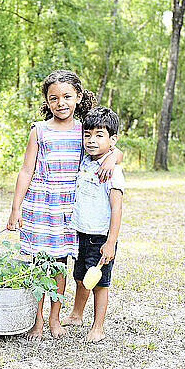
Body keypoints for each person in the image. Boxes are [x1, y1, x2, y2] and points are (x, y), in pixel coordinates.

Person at [7, 70, 122, 339]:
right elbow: (26, 170)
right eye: (54, 97)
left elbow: (112, 147)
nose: (61, 103)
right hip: (41, 206)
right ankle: (36, 319)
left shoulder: (84, 131)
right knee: (39, 264)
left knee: (60, 266)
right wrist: (15, 208)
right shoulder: (39, 130)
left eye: (67, 96)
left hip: (68, 210)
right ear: (47, 101)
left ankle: (54, 319)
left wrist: (112, 157)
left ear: (78, 97)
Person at [62, 106, 124, 342]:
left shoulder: (113, 173)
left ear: (112, 139)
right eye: (87, 134)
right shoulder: (85, 161)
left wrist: (110, 242)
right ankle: (77, 314)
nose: (92, 140)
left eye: (99, 135)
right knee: (81, 277)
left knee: (99, 283)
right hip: (80, 233)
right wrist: (110, 154)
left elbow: (117, 209)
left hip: (100, 237)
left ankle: (98, 327)